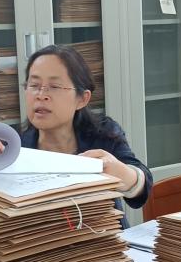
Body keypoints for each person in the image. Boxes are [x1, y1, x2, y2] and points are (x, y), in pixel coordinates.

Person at [17, 45, 152, 223]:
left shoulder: (103, 134)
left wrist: (121, 172)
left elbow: (142, 189)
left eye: (55, 86)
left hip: (103, 237)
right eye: (34, 85)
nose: (41, 95)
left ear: (82, 99)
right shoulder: (14, 147)